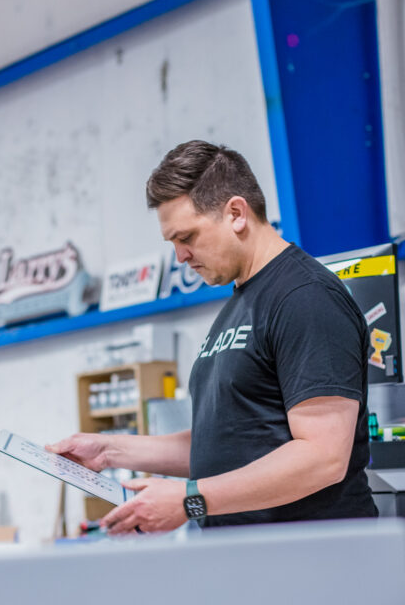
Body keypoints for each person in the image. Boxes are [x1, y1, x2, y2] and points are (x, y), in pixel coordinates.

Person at [47, 140, 377, 534]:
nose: (181, 257)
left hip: (313, 561)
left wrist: (190, 500)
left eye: (186, 237)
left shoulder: (305, 297)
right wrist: (109, 450)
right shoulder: (241, 304)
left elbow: (322, 456)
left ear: (236, 213)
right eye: (172, 243)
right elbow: (223, 447)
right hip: (250, 560)